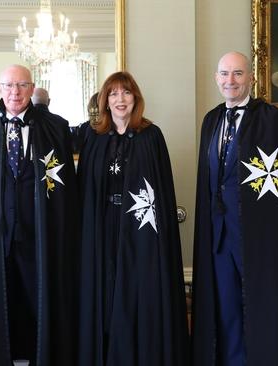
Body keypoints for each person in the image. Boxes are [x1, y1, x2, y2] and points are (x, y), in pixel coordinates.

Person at [191, 51, 278, 366]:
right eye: (224, 74)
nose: (230, 80)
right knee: (226, 306)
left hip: (259, 237)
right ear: (216, 78)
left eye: (237, 73)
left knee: (260, 307)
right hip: (218, 236)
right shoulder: (211, 120)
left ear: (251, 78)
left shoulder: (273, 121)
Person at [0, 64, 79, 365]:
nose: (15, 92)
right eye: (9, 86)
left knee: (36, 299)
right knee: (1, 301)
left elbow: (66, 189)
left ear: (31, 88)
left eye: (22, 85)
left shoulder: (56, 127)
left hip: (40, 232)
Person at [76, 71, 189, 365]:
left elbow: (162, 190)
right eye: (113, 94)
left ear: (135, 98)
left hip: (141, 228)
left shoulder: (151, 136)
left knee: (136, 290)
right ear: (105, 101)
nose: (120, 99)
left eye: (125, 93)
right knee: (106, 289)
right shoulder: (93, 137)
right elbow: (84, 187)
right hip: (103, 225)